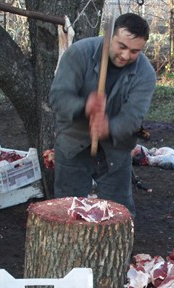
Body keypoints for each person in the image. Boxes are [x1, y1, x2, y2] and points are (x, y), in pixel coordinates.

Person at [49, 13, 156, 216]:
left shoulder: (145, 73)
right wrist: (84, 106)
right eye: (121, 46)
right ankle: (71, 247)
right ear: (110, 38)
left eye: (134, 51)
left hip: (115, 148)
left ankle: (117, 247)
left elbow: (133, 117)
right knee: (69, 211)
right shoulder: (79, 54)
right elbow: (57, 97)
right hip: (73, 141)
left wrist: (109, 127)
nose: (126, 56)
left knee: (119, 213)